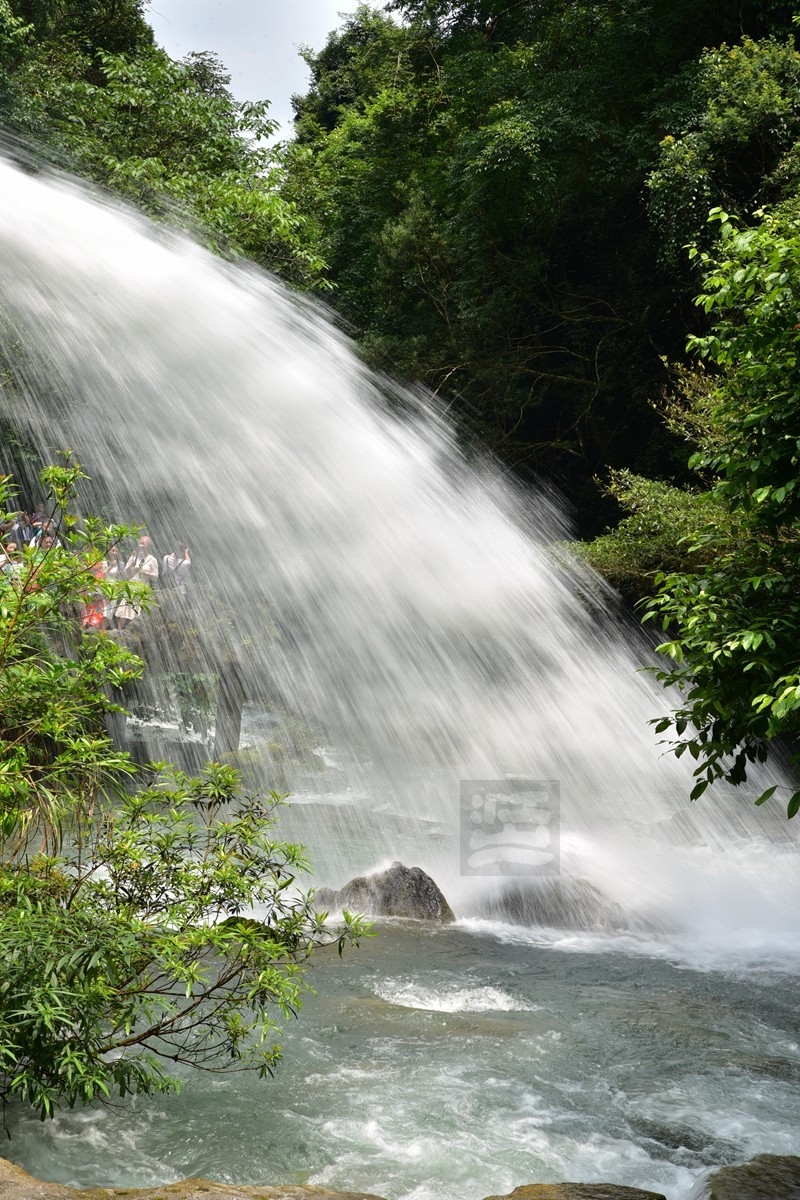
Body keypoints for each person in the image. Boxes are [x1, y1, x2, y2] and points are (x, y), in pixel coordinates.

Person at [116, 536, 159, 628]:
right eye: (139, 543)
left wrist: (146, 573)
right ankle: (119, 633)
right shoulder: (134, 557)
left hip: (142, 589)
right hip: (131, 587)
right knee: (124, 611)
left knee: (137, 612)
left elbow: (155, 577)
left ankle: (134, 632)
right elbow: (126, 573)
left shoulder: (153, 560)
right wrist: (131, 565)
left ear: (148, 545)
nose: (140, 545)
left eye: (142, 543)